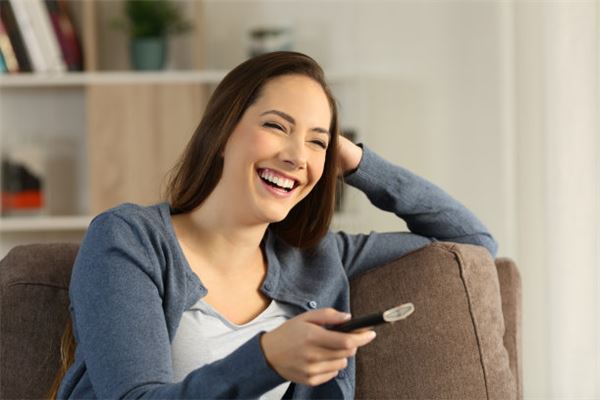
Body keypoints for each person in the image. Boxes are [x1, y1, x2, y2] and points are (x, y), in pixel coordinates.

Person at [51, 51, 497, 399]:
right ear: (223, 132)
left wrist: (356, 161)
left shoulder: (317, 258)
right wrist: (266, 360)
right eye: (277, 126)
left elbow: (472, 242)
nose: (297, 156)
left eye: (316, 142)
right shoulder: (130, 238)